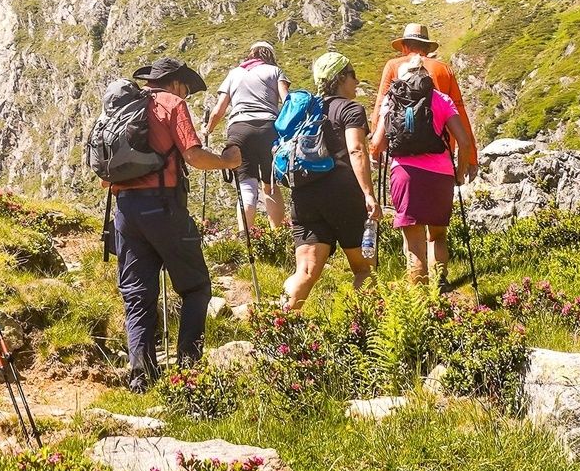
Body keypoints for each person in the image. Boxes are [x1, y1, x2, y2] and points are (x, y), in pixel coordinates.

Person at [99, 57, 240, 391]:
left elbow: (106, 177)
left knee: (137, 295)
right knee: (195, 287)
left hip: (125, 212)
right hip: (164, 208)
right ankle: (189, 373)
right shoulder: (172, 104)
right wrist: (227, 160)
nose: (187, 95)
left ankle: (141, 378)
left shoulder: (123, 108)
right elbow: (193, 155)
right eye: (187, 88)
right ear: (176, 83)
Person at [375, 24, 478, 289]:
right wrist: (464, 165)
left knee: (413, 244)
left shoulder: (392, 88)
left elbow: (378, 136)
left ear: (405, 46)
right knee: (438, 235)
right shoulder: (442, 88)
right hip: (441, 171)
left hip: (405, 173)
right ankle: (440, 286)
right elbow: (463, 136)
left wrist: (375, 154)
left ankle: (419, 302)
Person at [279, 51, 379, 309]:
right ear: (341, 78)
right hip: (342, 194)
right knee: (364, 270)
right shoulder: (351, 108)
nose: (357, 81)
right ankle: (362, 332)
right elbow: (356, 150)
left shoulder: (307, 112)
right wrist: (368, 193)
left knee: (306, 272)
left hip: (303, 194)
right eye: (353, 75)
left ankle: (280, 327)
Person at [205, 39, 289, 233]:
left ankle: (246, 236)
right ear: (270, 56)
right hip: (268, 127)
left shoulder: (234, 74)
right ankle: (277, 236)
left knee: (246, 186)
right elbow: (287, 102)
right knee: (271, 186)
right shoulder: (274, 71)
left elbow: (219, 109)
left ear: (251, 54)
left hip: (239, 129)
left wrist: (208, 129)